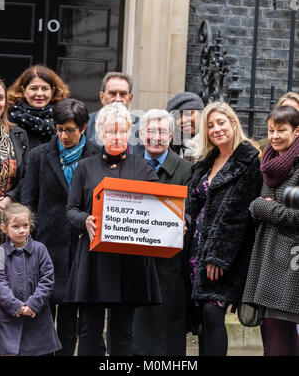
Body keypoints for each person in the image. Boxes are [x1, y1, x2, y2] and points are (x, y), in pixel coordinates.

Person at [64, 102, 162, 356]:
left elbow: (160, 208)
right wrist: (84, 220)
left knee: (122, 331)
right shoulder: (85, 167)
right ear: (100, 134)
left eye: (121, 131)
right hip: (94, 259)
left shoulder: (144, 168)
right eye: (110, 131)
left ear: (129, 132)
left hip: (129, 261)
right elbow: (71, 209)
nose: (116, 136)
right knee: (88, 330)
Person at [20, 98, 99, 355]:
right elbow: (28, 202)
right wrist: (29, 245)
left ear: (83, 128)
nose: (64, 135)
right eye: (59, 129)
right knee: (41, 321)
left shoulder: (97, 156)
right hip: (45, 247)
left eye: (70, 130)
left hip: (81, 248)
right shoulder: (38, 156)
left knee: (69, 323)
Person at [185, 101, 263, 356]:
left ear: (233, 123)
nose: (216, 129)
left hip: (224, 254)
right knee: (203, 319)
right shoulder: (207, 160)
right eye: (210, 125)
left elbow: (238, 215)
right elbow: (193, 201)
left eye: (221, 122)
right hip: (196, 249)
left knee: (213, 312)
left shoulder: (249, 160)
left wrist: (219, 256)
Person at [132, 109, 193, 356]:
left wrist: (185, 220)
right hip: (133, 261)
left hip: (169, 264)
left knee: (166, 340)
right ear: (140, 134)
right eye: (151, 131)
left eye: (162, 132)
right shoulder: (129, 164)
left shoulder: (186, 170)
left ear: (171, 136)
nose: (156, 137)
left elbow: (194, 209)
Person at [242, 105, 299, 356]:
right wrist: (258, 209)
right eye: (270, 130)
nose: (274, 136)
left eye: (281, 130)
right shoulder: (269, 164)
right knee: (276, 332)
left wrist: (260, 207)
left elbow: (296, 216)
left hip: (291, 263)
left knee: (281, 332)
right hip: (267, 257)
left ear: (297, 131)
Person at [0, 203, 61, 356]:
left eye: (25, 225)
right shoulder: (0, 252)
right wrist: (15, 306)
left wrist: (33, 304)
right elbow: (0, 282)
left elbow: (47, 279)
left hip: (37, 318)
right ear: (4, 228)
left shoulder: (40, 249)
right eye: (16, 226)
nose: (22, 230)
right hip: (9, 318)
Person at [7, 65, 69, 149]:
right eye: (33, 88)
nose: (39, 94)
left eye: (45, 88)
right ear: (23, 90)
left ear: (52, 91)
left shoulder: (64, 118)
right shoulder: (9, 118)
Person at [0, 79, 29, 230]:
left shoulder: (18, 134)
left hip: (8, 217)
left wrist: (10, 198)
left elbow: (26, 175)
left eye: (0, 98)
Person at [85, 71, 140, 152]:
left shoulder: (141, 126)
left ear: (130, 98)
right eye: (112, 93)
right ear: (102, 97)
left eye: (123, 94)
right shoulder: (86, 124)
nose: (117, 99)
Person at [166, 91, 204, 160]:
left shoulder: (215, 143)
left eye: (189, 114)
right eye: (177, 117)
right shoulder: (168, 148)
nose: (183, 120)